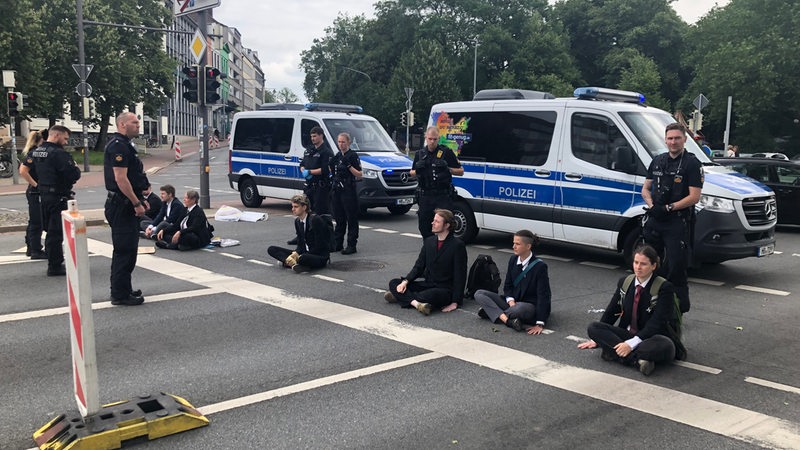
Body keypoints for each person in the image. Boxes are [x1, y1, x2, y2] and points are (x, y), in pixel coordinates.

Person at [577, 245, 677, 376]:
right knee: (593, 328)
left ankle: (613, 352)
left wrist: (630, 344)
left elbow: (658, 322)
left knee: (666, 346)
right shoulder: (625, 282)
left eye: (643, 264)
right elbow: (612, 311)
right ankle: (637, 361)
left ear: (653, 266)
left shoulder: (664, 287)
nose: (638, 267)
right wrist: (597, 339)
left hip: (650, 338)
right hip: (627, 333)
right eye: (636, 262)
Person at [641, 123, 702, 313]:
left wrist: (669, 208)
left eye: (677, 138)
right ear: (665, 140)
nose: (673, 142)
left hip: (677, 220)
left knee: (676, 265)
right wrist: (652, 206)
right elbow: (645, 188)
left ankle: (678, 308)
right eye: (670, 138)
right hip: (656, 218)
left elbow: (694, 196)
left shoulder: (692, 163)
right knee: (648, 262)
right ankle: (647, 302)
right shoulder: (658, 160)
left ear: (684, 139)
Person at [384, 209, 467, 315]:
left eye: (437, 221)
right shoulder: (429, 242)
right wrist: (405, 282)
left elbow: (460, 274)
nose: (433, 223)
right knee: (394, 283)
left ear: (446, 225)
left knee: (428, 295)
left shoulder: (457, 245)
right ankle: (417, 304)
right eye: (433, 220)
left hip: (444, 289)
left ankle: (401, 297)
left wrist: (455, 302)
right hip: (428, 284)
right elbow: (419, 267)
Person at [104, 112, 148, 306]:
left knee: (129, 249)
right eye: (134, 122)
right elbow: (120, 178)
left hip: (125, 202)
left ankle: (124, 288)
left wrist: (141, 197)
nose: (138, 125)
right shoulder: (118, 145)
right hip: (122, 205)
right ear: (122, 124)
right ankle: (120, 295)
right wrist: (136, 203)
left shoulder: (126, 144)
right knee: (124, 250)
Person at [474, 230, 551, 334]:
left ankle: (492, 312)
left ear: (528, 246)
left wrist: (540, 323)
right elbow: (508, 285)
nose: (513, 246)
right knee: (479, 294)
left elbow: (544, 295)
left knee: (519, 309)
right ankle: (508, 321)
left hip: (528, 306)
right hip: (512, 303)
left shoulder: (540, 266)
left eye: (517, 244)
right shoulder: (513, 259)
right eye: (513, 243)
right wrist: (510, 301)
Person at [29, 125, 81, 276]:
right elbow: (73, 174)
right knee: (56, 232)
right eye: (65, 138)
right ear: (57, 135)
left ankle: (53, 262)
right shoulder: (58, 154)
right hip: (58, 195)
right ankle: (55, 265)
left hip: (44, 195)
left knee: (50, 231)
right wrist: (76, 169)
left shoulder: (38, 151)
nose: (66, 142)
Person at [410, 126, 464, 238]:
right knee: (425, 227)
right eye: (430, 139)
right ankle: (429, 249)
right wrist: (417, 170)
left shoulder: (445, 152)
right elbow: (412, 173)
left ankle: (445, 250)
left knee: (446, 226)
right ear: (426, 137)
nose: (432, 141)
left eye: (435, 139)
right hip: (426, 196)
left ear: (438, 138)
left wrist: (448, 168)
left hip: (442, 195)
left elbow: (461, 171)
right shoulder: (420, 154)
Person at [267, 194, 331, 273]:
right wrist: (296, 253)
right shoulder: (297, 221)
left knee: (303, 258)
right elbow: (300, 244)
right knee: (272, 249)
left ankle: (291, 263)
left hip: (318, 255)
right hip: (304, 252)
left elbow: (321, 245)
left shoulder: (315, 220)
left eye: (296, 207)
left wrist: (298, 256)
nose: (293, 209)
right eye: (292, 206)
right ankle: (293, 263)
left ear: (304, 207)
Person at [330, 132, 362, 254]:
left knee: (351, 218)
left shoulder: (352, 155)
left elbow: (359, 174)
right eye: (339, 142)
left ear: (348, 142)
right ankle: (338, 243)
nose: (341, 144)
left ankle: (351, 245)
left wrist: (348, 165)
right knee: (339, 218)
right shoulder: (338, 155)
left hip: (349, 190)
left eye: (343, 142)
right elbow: (331, 167)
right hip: (338, 190)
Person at [18, 130, 46, 259]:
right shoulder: (35, 153)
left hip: (34, 191)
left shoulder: (34, 152)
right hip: (35, 191)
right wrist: (36, 185)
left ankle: (31, 247)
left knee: (34, 220)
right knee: (37, 221)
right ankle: (35, 249)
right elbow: (23, 171)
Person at [300, 126, 334, 215]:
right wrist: (303, 170)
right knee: (307, 211)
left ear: (321, 136)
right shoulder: (308, 150)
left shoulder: (326, 152)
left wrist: (310, 172)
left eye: (315, 136)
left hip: (320, 187)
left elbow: (326, 169)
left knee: (320, 212)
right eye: (311, 136)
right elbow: (302, 164)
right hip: (308, 186)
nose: (312, 139)